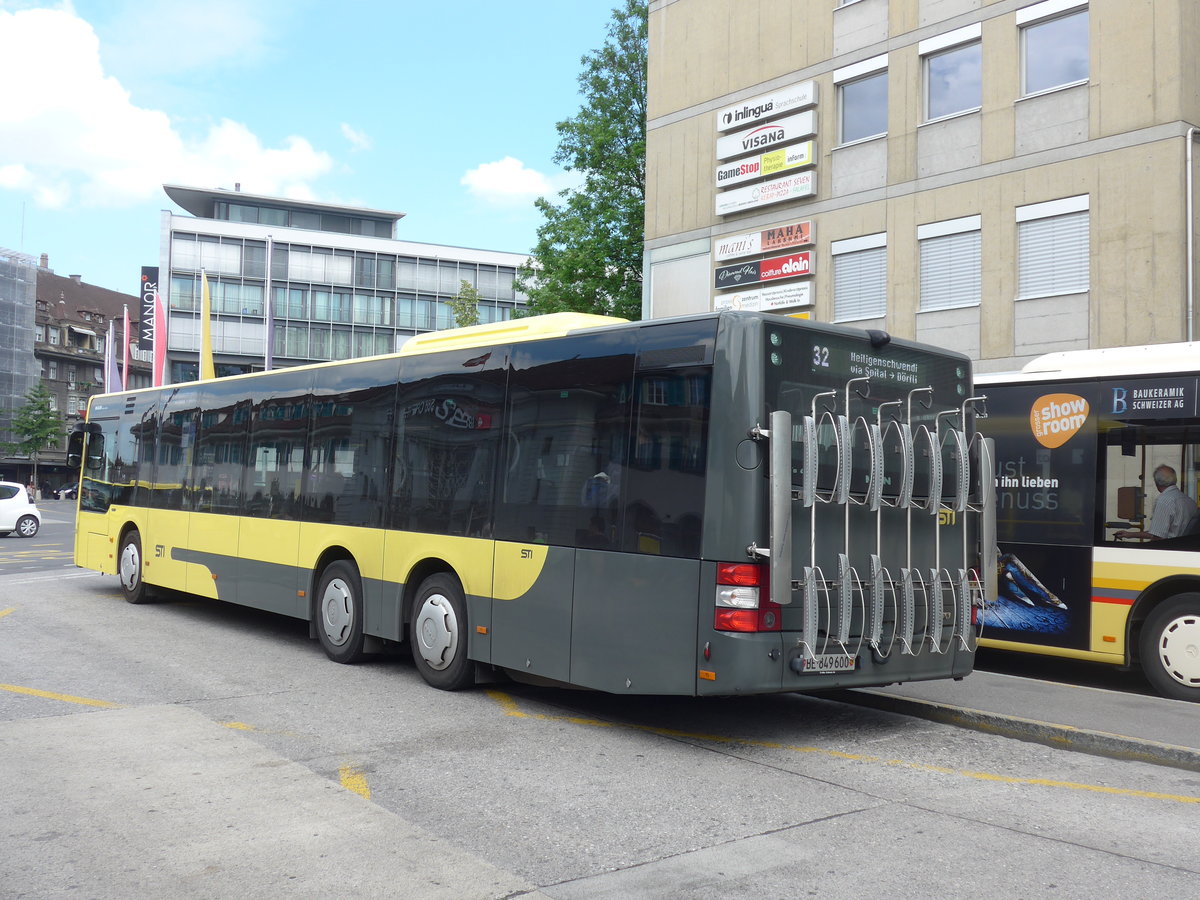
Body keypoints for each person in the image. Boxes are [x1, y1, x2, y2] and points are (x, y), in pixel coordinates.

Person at [1115, 465, 1198, 541]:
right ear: (1175, 479)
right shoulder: (1189, 501)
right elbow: (1157, 532)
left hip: (1169, 551)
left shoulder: (1164, 501)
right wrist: (1130, 534)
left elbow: (1158, 538)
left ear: (1156, 482)